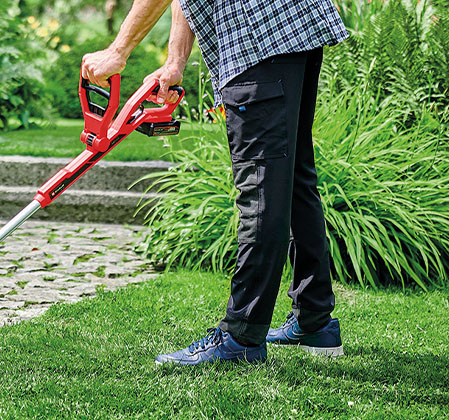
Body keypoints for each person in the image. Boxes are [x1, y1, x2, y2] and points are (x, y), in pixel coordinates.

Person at [82, 0, 348, 365]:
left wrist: (118, 51)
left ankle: (242, 336)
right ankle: (314, 319)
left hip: (256, 39)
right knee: (294, 177)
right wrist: (175, 61)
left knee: (261, 189)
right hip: (291, 26)